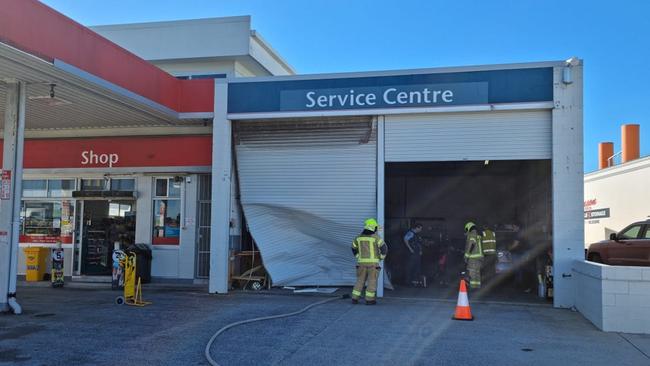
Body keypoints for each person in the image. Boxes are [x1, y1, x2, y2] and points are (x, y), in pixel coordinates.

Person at [351, 218, 388, 305]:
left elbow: (353, 247)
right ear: (372, 227)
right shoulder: (376, 237)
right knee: (372, 281)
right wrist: (381, 257)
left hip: (361, 263)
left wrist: (358, 256)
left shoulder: (358, 237)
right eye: (375, 227)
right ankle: (369, 300)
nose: (376, 228)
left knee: (360, 280)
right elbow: (384, 248)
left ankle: (354, 298)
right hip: (373, 264)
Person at [508, 223, 531, 292]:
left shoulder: (518, 234)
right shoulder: (524, 233)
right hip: (524, 253)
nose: (513, 228)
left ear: (517, 227)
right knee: (521, 270)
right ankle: (521, 286)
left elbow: (515, 244)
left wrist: (509, 248)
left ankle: (519, 286)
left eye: (513, 226)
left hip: (519, 254)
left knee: (518, 270)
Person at [464, 222, 483, 289]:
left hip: (473, 258)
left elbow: (471, 244)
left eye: (466, 229)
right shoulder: (478, 234)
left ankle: (472, 288)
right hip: (479, 258)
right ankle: (477, 288)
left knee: (472, 273)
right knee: (477, 274)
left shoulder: (472, 234)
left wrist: (467, 255)